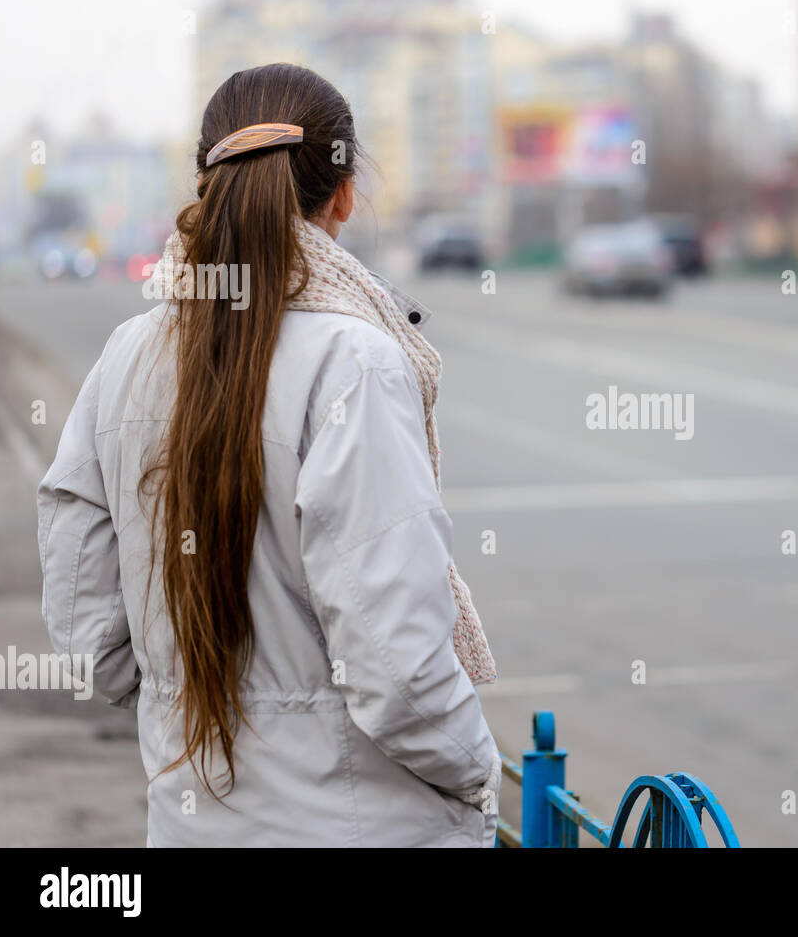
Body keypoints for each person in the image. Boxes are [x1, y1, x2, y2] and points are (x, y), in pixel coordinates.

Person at [36, 63, 500, 847]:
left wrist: (167, 693)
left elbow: (85, 614)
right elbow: (397, 666)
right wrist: (477, 772)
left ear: (202, 184)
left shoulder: (127, 355)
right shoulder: (357, 360)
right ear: (344, 194)